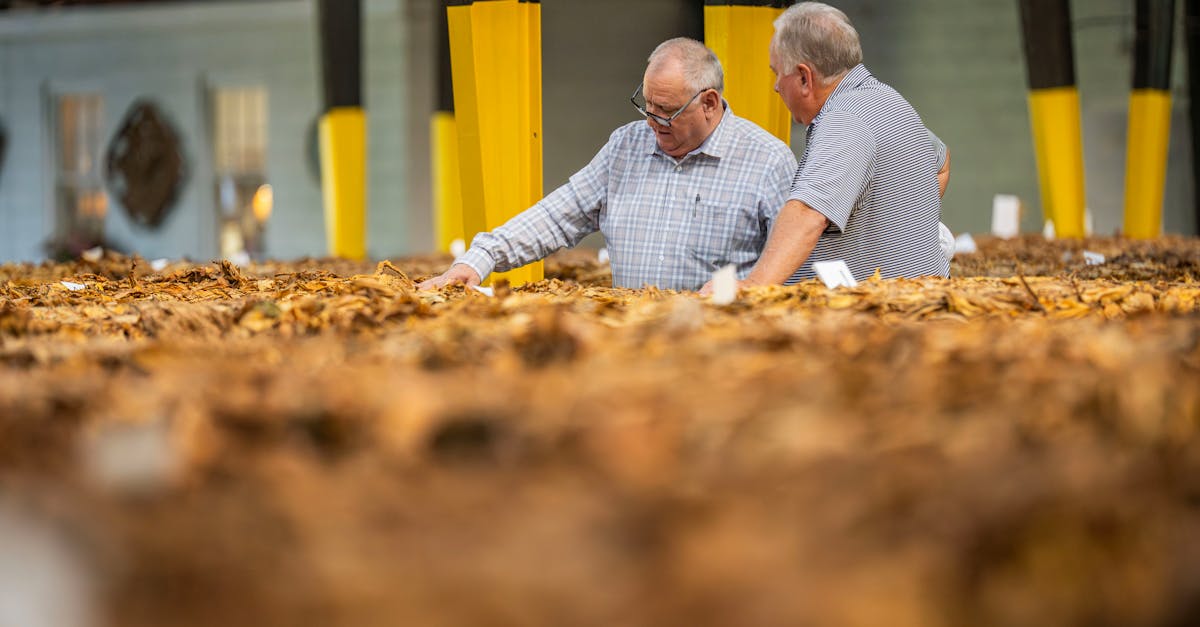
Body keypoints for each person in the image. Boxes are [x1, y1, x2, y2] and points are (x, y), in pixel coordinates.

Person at [418, 37, 797, 292]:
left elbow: (799, 264)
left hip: (725, 356)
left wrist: (747, 296)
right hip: (628, 349)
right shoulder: (626, 148)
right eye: (646, 105)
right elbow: (556, 216)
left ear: (709, 103)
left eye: (666, 112)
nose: (652, 121)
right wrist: (480, 259)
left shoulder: (767, 161)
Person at [704, 1, 950, 294]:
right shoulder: (889, 101)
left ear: (805, 78)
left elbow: (809, 213)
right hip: (915, 301)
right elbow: (943, 161)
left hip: (875, 318)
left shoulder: (844, 121)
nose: (776, 87)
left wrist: (754, 286)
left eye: (777, 73)